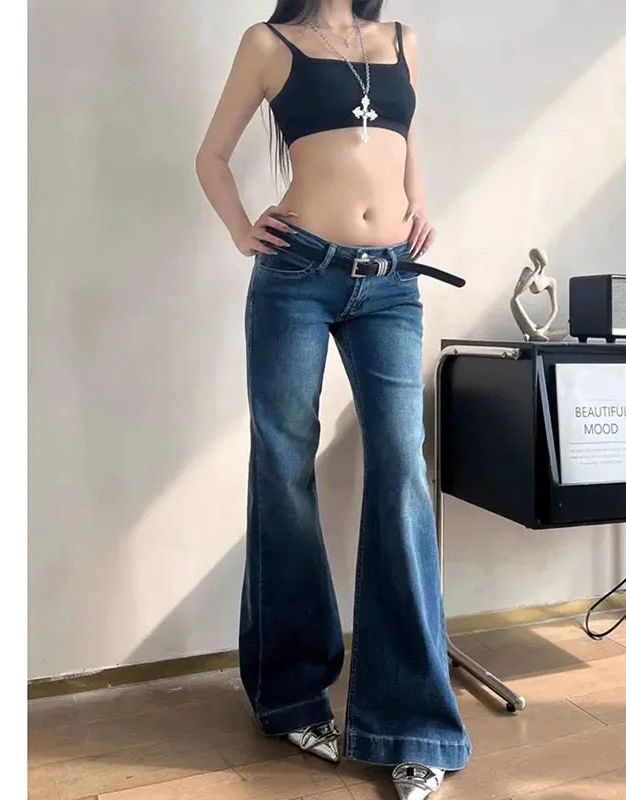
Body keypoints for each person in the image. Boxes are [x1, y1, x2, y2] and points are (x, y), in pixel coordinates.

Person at [195, 1, 471, 797]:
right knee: (283, 474)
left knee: (402, 470)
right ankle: (289, 695)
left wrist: (420, 205)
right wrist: (241, 229)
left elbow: (405, 140)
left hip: (392, 285)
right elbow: (211, 156)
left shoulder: (402, 41)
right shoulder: (268, 43)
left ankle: (411, 723)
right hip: (295, 277)